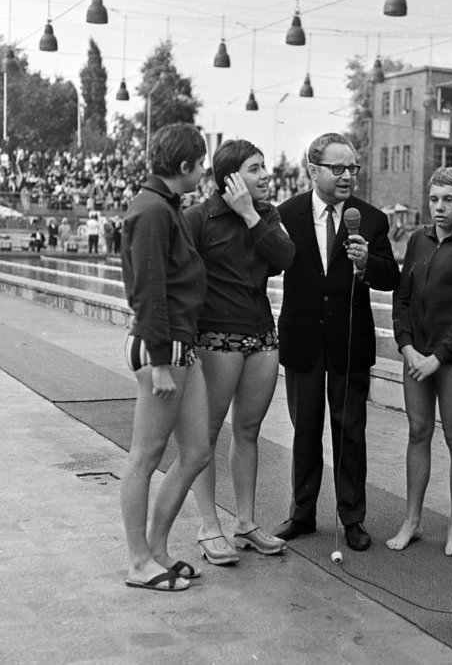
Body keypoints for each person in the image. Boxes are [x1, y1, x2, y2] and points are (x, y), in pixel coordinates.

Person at [272, 133, 400, 551]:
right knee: (304, 429)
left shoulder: (371, 219)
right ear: (313, 170)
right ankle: (302, 513)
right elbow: (269, 265)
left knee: (351, 432)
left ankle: (353, 518)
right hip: (304, 338)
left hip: (349, 340)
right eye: (338, 168)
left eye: (353, 169)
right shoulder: (286, 214)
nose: (348, 176)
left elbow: (390, 277)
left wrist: (367, 265)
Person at [185, 139, 295, 565]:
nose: (266, 174)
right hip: (216, 337)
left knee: (248, 431)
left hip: (260, 336)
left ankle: (245, 523)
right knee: (207, 435)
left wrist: (251, 215)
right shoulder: (198, 219)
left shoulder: (267, 215)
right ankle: (208, 525)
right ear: (230, 178)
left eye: (265, 166)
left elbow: (285, 257)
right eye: (255, 168)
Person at [120, 123, 211, 592]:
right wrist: (158, 361)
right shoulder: (152, 210)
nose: (205, 170)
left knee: (196, 451)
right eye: (201, 163)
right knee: (145, 456)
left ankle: (156, 549)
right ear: (184, 167)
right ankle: (138, 562)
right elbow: (147, 290)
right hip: (164, 346)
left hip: (180, 344)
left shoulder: (166, 206)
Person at [388, 167, 452, 557]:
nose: (439, 207)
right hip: (416, 354)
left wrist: (440, 356)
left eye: (449, 199)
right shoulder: (419, 239)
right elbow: (402, 298)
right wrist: (406, 346)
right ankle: (412, 521)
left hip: (450, 358)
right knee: (417, 430)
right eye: (434, 199)